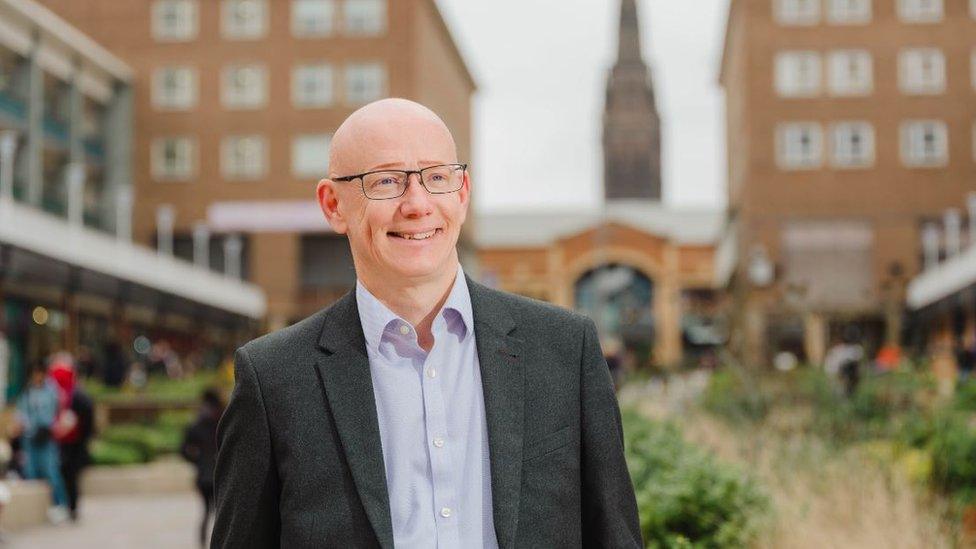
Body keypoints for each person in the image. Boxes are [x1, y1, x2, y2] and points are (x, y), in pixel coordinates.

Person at [212, 99, 641, 548]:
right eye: (386, 182)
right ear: (333, 204)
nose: (417, 205)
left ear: (462, 191)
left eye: (436, 177)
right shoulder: (274, 377)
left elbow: (615, 535)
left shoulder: (564, 350)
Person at [16, 362, 69, 524]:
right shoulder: (28, 391)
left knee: (51, 471)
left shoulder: (52, 391)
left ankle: (61, 505)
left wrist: (53, 425)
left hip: (46, 437)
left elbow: (57, 411)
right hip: (30, 437)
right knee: (30, 470)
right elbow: (22, 412)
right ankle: (38, 509)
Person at [49, 356, 95, 521]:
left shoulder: (75, 396)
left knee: (70, 476)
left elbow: (85, 422)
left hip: (73, 443)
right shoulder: (63, 395)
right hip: (66, 443)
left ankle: (71, 507)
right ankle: (68, 506)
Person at [182, 388, 224, 548]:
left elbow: (183, 450)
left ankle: (203, 544)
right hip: (218, 474)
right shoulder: (221, 421)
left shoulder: (197, 423)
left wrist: (197, 460)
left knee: (207, 512)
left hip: (204, 475)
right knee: (220, 513)